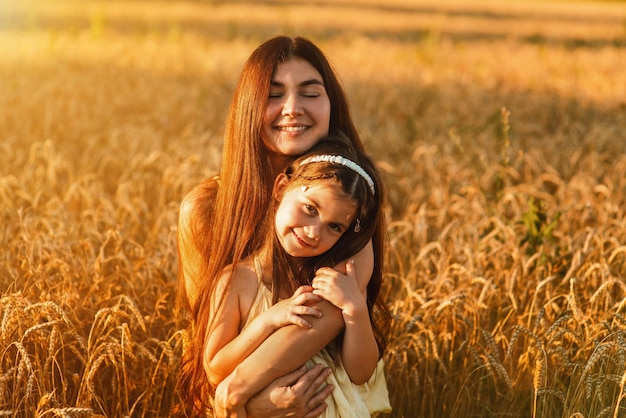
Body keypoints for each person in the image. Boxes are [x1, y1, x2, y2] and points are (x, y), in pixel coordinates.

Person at [176, 36, 390, 416]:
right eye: (274, 94)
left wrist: (240, 395)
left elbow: (323, 321)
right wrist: (250, 405)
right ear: (248, 107)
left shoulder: (349, 201)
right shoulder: (204, 211)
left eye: (310, 92)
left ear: (331, 104)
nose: (293, 109)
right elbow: (210, 354)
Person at [205, 136, 391, 417]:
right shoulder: (236, 280)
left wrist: (354, 309)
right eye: (310, 209)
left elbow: (360, 372)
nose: (315, 232)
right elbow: (216, 368)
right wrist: (268, 321)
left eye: (335, 227)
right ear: (281, 188)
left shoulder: (335, 283)